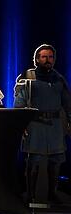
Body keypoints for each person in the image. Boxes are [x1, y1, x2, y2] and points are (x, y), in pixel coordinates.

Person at [15, 44, 71, 205]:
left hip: (54, 125)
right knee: (34, 161)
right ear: (37, 59)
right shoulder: (28, 77)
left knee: (56, 161)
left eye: (51, 57)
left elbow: (67, 103)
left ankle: (52, 195)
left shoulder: (58, 78)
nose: (48, 60)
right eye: (44, 57)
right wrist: (21, 124)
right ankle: (31, 196)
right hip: (35, 124)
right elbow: (19, 103)